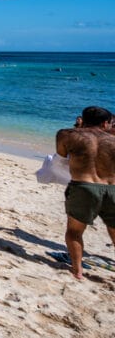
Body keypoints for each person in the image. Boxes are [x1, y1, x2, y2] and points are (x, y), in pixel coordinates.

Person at [55, 105, 115, 279]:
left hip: (84, 186)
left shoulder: (66, 135)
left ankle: (77, 270)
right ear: (105, 123)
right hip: (112, 188)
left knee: (74, 232)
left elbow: (61, 157)